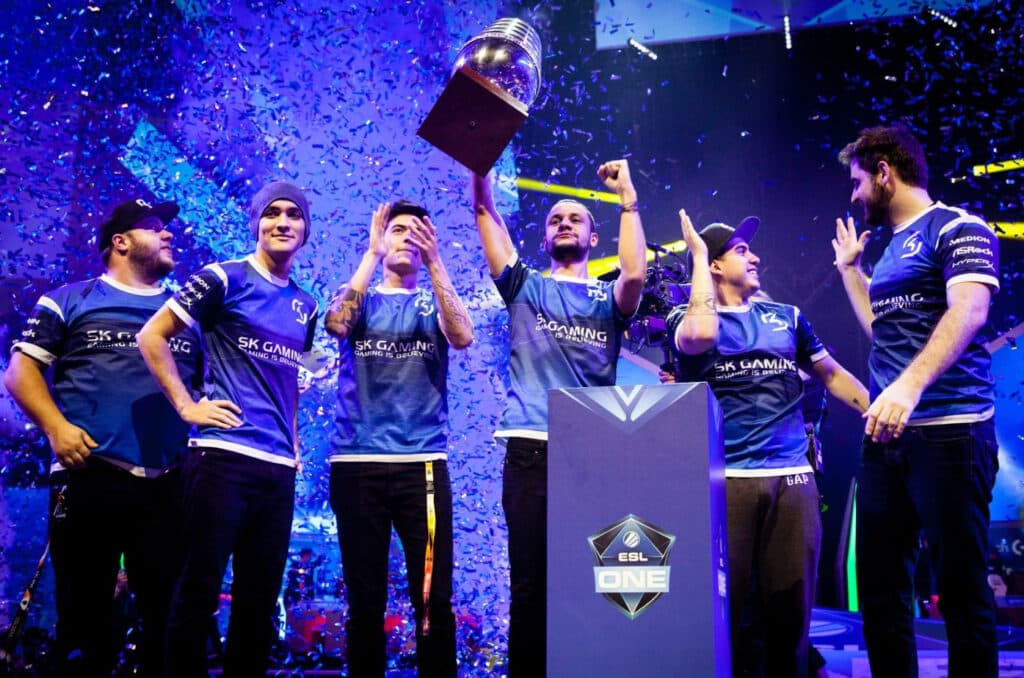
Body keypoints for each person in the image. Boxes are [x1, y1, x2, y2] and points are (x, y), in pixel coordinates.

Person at [665, 210, 869, 678]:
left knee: (791, 614)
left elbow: (832, 376)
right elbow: (700, 336)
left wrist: (877, 410)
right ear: (714, 265)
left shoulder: (787, 317)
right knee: (733, 614)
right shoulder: (688, 319)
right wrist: (697, 254)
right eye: (741, 251)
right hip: (727, 481)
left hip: (792, 479)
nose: (755, 257)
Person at [4, 198, 201, 676]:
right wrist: (57, 428)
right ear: (121, 241)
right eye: (154, 227)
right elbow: (20, 374)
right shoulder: (70, 299)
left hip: (170, 483)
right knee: (84, 619)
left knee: (165, 623)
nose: (168, 234)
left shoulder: (186, 315)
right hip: (89, 475)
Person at [834, 124, 1001, 677]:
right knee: (881, 593)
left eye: (858, 181)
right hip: (886, 439)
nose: (855, 195)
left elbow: (969, 311)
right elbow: (882, 331)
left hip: (952, 430)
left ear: (884, 172)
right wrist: (851, 271)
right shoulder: (886, 254)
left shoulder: (958, 226)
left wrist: (908, 386)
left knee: (961, 591)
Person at [470, 161, 647, 676]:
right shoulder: (524, 286)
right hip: (529, 448)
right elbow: (483, 208)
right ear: (544, 239)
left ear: (594, 238)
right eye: (554, 220)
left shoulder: (609, 298)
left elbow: (635, 274)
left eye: (575, 218)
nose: (564, 223)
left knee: (590, 583)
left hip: (592, 453)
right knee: (529, 586)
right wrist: (479, 164)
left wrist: (628, 198)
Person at [137, 181, 318, 676]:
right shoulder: (223, 277)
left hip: (277, 469)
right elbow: (152, 336)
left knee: (258, 604)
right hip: (222, 457)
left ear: (305, 230)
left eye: (294, 215)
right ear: (256, 223)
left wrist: (294, 447)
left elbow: (289, 382)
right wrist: (187, 406)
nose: (283, 222)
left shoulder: (307, 305)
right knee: (199, 591)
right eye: (272, 213)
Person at [324, 200, 473, 677]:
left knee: (432, 600)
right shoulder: (358, 296)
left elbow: (463, 336)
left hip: (422, 465)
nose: (408, 237)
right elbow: (336, 325)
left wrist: (436, 262)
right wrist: (371, 254)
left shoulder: (434, 302)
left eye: (417, 231)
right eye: (398, 229)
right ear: (382, 238)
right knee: (364, 600)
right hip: (356, 464)